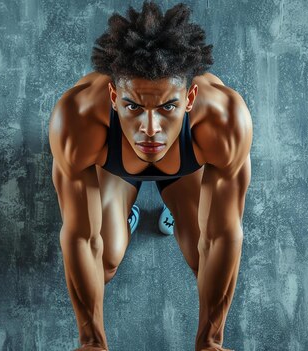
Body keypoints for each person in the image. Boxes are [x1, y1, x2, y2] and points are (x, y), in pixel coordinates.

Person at [48, 2, 253, 350]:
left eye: (167, 108)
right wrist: (91, 342)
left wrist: (211, 342)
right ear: (114, 97)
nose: (150, 129)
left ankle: (176, 209)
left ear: (190, 98)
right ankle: (127, 218)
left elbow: (223, 237)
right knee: (106, 261)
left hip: (187, 166)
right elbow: (81, 237)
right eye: (133, 107)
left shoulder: (224, 121)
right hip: (113, 165)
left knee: (204, 258)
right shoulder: (78, 120)